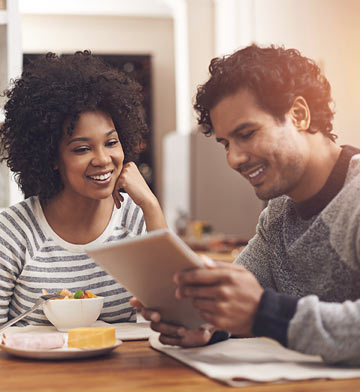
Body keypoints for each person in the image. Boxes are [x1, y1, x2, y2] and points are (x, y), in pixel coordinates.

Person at [132, 44, 360, 365]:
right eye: (226, 143)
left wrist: (263, 314)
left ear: (298, 115)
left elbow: (259, 311)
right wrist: (208, 325)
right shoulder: (279, 211)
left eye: (247, 133)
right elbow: (238, 295)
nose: (234, 159)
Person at [0, 51, 167, 327]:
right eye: (82, 148)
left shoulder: (136, 218)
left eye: (111, 143)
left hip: (121, 371)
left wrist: (151, 205)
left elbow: (175, 317)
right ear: (51, 158)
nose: (103, 159)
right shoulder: (12, 231)